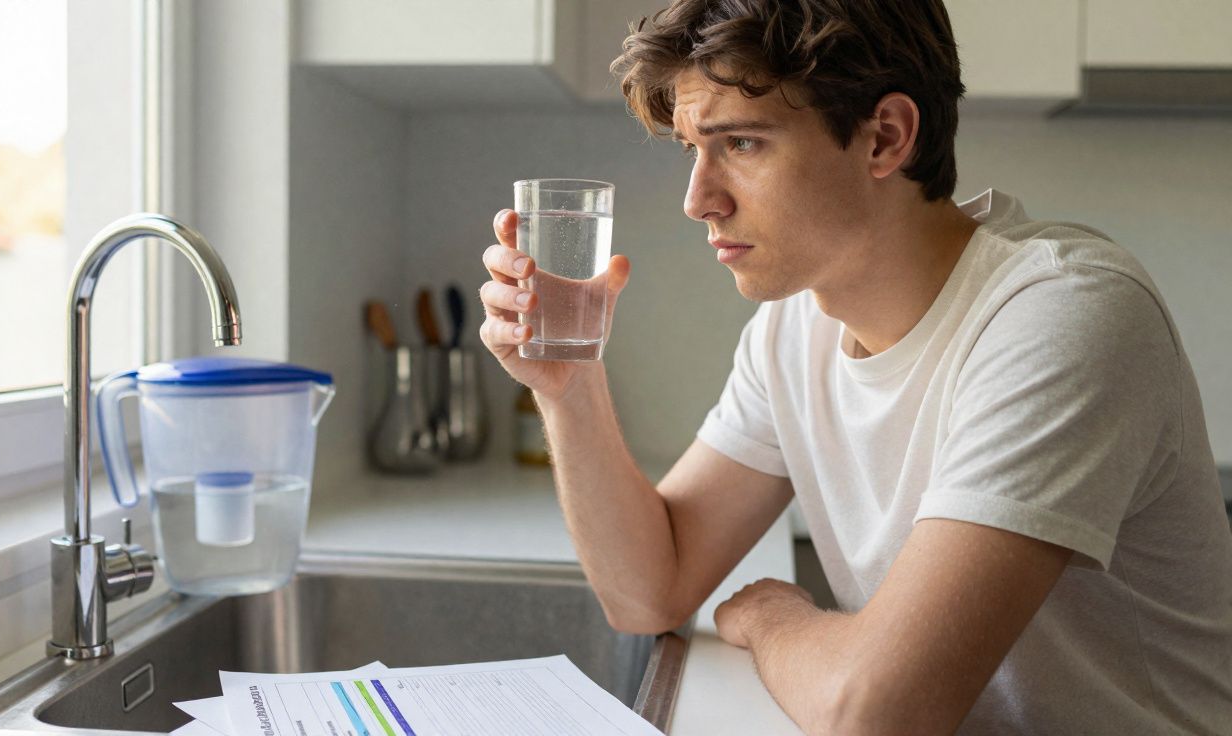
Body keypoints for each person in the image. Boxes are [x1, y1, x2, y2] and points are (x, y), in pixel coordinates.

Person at [478, 0, 1232, 733]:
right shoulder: (793, 327)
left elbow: (875, 712)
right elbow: (649, 590)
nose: (697, 199)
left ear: (885, 138)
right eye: (691, 150)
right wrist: (569, 387)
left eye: (740, 144)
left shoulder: (1061, 314)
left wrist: (774, 617)